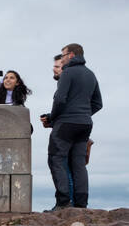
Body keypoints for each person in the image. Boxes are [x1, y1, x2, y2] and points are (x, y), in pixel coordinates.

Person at [41, 43, 102, 210]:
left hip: (65, 125)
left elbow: (60, 99)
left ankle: (63, 203)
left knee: (56, 159)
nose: (62, 58)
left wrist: (52, 119)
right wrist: (83, 114)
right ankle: (81, 205)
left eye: (63, 55)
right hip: (85, 124)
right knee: (78, 164)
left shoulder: (67, 73)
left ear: (72, 55)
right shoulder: (91, 74)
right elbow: (98, 103)